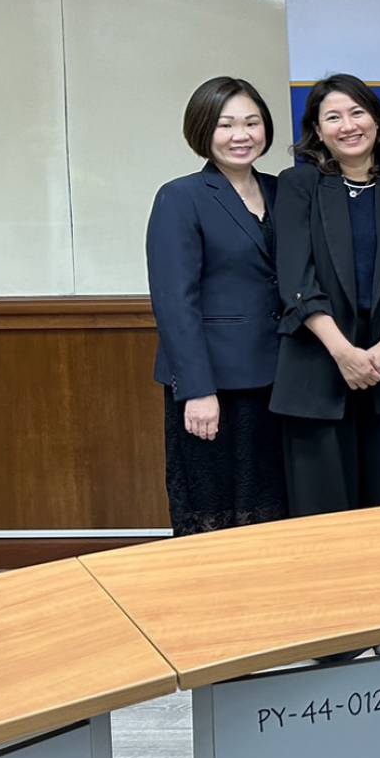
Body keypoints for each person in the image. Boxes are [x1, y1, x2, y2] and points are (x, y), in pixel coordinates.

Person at [271, 74, 380, 521]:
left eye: (357, 112)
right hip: (316, 372)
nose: (348, 125)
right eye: (333, 117)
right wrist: (343, 353)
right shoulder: (298, 184)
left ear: (377, 120)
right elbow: (296, 279)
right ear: (318, 131)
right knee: (322, 521)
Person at [145, 76, 287, 536]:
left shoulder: (283, 191)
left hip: (278, 380)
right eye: (226, 125)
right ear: (203, 130)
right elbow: (174, 301)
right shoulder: (180, 196)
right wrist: (197, 390)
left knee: (271, 506)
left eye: (251, 122)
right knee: (214, 511)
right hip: (214, 386)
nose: (241, 135)